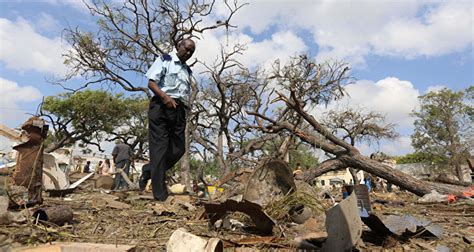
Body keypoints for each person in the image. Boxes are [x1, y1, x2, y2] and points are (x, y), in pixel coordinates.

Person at [143, 38, 196, 201]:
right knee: (159, 148)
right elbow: (151, 82)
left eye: (191, 52)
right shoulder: (165, 59)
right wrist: (164, 97)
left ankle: (149, 170)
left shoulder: (187, 70)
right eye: (186, 49)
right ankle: (160, 195)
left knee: (179, 148)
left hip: (179, 109)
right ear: (178, 46)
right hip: (162, 105)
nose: (188, 53)